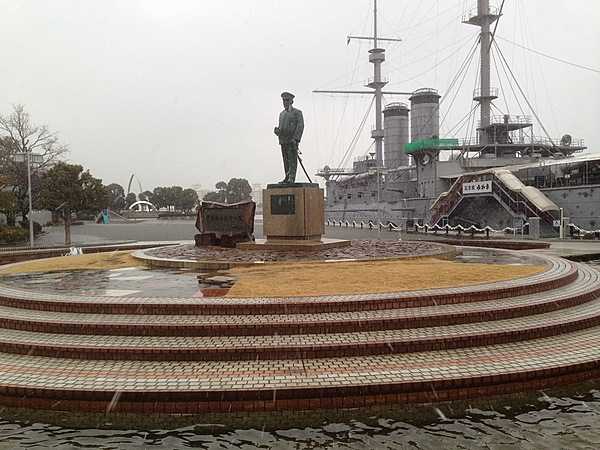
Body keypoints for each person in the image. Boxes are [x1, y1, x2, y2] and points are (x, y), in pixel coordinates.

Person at [274, 91, 304, 183]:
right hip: (283, 141)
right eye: (283, 100)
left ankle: (291, 177)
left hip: (292, 141)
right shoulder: (281, 114)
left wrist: (296, 139)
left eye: (287, 100)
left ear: (291, 101)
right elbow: (282, 128)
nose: (285, 102)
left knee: (292, 160)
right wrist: (278, 131)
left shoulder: (297, 113)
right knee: (286, 160)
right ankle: (287, 177)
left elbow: (300, 126)